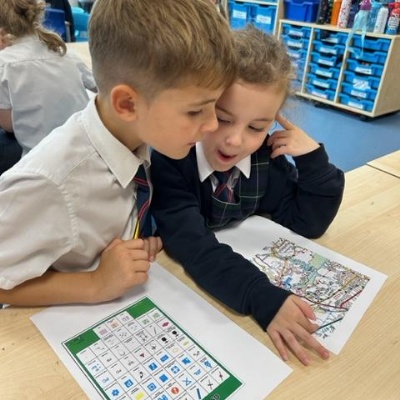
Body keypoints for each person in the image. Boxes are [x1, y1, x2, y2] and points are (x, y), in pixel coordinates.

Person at [0, 0, 237, 306]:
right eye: (195, 111)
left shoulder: (143, 136)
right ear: (127, 104)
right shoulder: (51, 183)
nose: (213, 124)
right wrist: (94, 284)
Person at [151, 26, 345, 366]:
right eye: (222, 118)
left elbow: (307, 223)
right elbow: (192, 246)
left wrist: (313, 161)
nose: (235, 141)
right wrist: (260, 295)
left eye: (256, 127)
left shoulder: (266, 160)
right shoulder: (172, 159)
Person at [0, 0, 95, 161]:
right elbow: (98, 86)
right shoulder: (64, 52)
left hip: (41, 160)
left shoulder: (4, 64)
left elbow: (9, 126)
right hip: (85, 150)